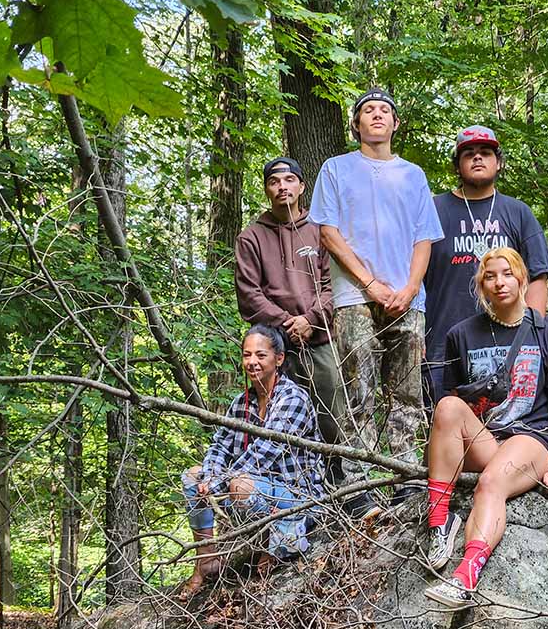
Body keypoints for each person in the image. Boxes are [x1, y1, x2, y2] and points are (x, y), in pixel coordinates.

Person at [310, 88, 443, 509]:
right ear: (356, 124)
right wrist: (370, 283)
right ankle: (359, 485)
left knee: (407, 393)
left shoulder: (413, 175)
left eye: (385, 110)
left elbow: (425, 238)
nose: (377, 116)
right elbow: (328, 232)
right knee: (358, 390)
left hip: (408, 299)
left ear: (396, 123)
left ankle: (406, 477)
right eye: (368, 111)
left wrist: (407, 289)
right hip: (355, 295)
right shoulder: (335, 169)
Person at [424, 247, 548, 609]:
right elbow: (454, 400)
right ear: (481, 286)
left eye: (507, 273)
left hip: (530, 440)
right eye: (490, 276)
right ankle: (439, 523)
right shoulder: (462, 334)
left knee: (491, 483)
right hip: (487, 439)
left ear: (521, 278)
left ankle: (465, 578)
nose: (499, 282)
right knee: (446, 407)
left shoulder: (547, 335)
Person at [180, 325, 325, 596]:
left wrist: (219, 481)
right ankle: (206, 561)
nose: (252, 362)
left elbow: (265, 452)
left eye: (260, 355)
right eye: (247, 355)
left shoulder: (293, 398)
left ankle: (279, 541)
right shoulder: (240, 402)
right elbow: (219, 446)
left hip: (295, 495)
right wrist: (210, 476)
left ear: (278, 359)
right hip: (253, 485)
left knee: (241, 485)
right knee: (192, 477)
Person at [423, 125, 548, 407]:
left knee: (505, 429)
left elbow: (538, 277)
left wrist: (532, 337)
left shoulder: (517, 212)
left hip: (506, 346)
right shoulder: (433, 209)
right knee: (444, 426)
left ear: (499, 161)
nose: (477, 158)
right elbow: (414, 276)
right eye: (468, 153)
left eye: (485, 152)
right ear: (457, 164)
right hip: (442, 345)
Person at [235, 157, 342, 475]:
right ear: (267, 189)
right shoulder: (251, 237)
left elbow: (333, 285)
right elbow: (249, 295)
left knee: (331, 417)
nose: (282, 187)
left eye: (289, 180)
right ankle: (283, 492)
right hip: (275, 348)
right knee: (276, 421)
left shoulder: (321, 231)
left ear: (301, 185)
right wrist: (287, 323)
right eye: (274, 181)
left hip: (321, 341)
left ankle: (340, 489)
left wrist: (310, 319)